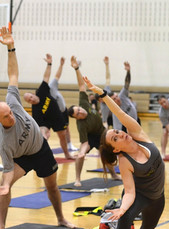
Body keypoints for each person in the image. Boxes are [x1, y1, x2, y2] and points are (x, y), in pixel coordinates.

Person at [82, 76, 169, 229]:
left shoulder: (138, 134)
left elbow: (120, 113)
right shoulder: (124, 161)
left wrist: (103, 95)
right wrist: (123, 209)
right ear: (116, 149)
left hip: (158, 195)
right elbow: (130, 192)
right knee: (123, 219)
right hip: (140, 196)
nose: (119, 135)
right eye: (115, 138)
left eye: (116, 132)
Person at [0, 27, 76, 229]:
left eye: (10, 112)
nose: (12, 116)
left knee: (52, 186)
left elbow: (13, 74)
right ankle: (0, 227)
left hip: (41, 149)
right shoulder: (4, 143)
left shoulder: (12, 102)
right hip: (21, 158)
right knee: (4, 185)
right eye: (7, 117)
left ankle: (61, 219)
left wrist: (11, 47)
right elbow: (9, 169)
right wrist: (7, 184)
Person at [67, 56, 120, 186]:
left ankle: (113, 174)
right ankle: (77, 179)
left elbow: (81, 85)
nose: (81, 112)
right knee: (80, 156)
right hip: (90, 138)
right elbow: (85, 142)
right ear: (77, 118)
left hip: (102, 133)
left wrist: (76, 69)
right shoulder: (81, 125)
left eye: (79, 109)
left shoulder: (84, 103)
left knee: (106, 152)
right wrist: (82, 152)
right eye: (78, 114)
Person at [23, 54, 74, 160]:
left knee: (62, 136)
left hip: (58, 116)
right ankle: (41, 155)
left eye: (31, 97)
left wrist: (49, 64)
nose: (31, 100)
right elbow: (41, 125)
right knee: (42, 135)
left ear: (34, 94)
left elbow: (46, 77)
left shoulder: (42, 91)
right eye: (29, 100)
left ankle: (67, 154)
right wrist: (44, 133)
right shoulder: (35, 110)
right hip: (47, 121)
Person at [49, 57, 77, 151]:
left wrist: (61, 65)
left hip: (63, 110)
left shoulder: (51, 86)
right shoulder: (44, 94)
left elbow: (57, 76)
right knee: (61, 132)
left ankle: (69, 144)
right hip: (55, 114)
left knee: (67, 128)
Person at [105, 57, 138, 131]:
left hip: (136, 121)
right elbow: (117, 129)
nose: (117, 98)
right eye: (114, 99)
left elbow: (127, 83)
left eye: (116, 96)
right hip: (126, 127)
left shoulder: (122, 95)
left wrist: (128, 71)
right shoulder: (115, 112)